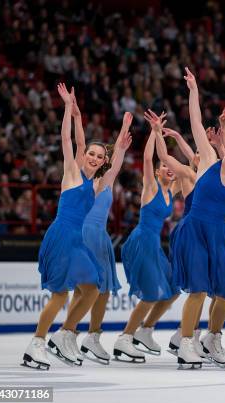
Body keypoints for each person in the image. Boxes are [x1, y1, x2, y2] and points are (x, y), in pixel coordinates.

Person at [174, 67, 225, 369]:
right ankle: (186, 343)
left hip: (217, 233)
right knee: (197, 288)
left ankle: (212, 337)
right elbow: (196, 122)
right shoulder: (209, 158)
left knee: (224, 290)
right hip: (194, 228)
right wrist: (194, 90)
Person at [22, 84, 111, 369]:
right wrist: (71, 112)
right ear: (85, 157)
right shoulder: (72, 172)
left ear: (103, 161)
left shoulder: (95, 184)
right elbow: (69, 140)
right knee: (60, 294)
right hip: (61, 235)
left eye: (99, 155)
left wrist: (78, 117)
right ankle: (36, 343)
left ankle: (64, 335)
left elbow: (87, 145)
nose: (93, 157)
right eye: (91, 153)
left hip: (77, 242)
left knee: (93, 288)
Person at [112, 110, 178, 363]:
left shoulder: (171, 191)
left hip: (155, 244)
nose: (168, 168)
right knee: (150, 294)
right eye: (165, 166)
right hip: (142, 240)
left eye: (170, 166)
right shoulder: (151, 186)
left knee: (173, 289)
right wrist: (154, 132)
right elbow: (149, 159)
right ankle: (124, 338)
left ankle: (146, 330)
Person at [78, 110, 133, 364]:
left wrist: (123, 128)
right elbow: (77, 144)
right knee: (88, 290)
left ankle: (90, 335)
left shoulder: (108, 178)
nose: (100, 160)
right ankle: (71, 333)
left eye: (103, 157)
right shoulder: (81, 175)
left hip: (99, 236)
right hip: (84, 234)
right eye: (96, 155)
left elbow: (120, 153)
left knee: (100, 291)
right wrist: (75, 114)